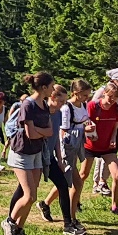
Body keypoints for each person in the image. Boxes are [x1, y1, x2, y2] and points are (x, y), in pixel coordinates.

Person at [13, 87, 81, 235]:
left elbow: (55, 137)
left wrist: (60, 158)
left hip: (48, 157)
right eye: (61, 100)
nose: (64, 104)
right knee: (23, 190)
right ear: (52, 97)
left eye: (65, 101)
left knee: (63, 185)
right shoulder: (40, 111)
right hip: (35, 155)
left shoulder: (58, 113)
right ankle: (11, 220)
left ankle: (68, 225)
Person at [1, 72, 55, 235]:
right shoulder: (27, 105)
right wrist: (41, 132)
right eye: (52, 86)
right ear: (44, 87)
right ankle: (9, 222)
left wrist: (39, 132)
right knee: (30, 196)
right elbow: (30, 134)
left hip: (36, 152)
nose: (54, 89)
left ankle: (19, 231)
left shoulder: (44, 105)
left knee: (32, 195)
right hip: (22, 153)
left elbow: (50, 131)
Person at [44, 79, 91, 225]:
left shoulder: (83, 105)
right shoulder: (66, 108)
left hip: (77, 145)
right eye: (84, 95)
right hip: (67, 148)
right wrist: (61, 156)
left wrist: (88, 128)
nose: (87, 98)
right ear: (76, 93)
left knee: (69, 182)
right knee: (71, 182)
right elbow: (63, 131)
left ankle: (48, 206)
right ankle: (70, 218)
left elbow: (84, 121)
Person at [86, 81, 118, 215]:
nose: (111, 101)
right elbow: (85, 123)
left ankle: (115, 206)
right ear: (104, 93)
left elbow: (116, 126)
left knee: (116, 175)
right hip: (91, 145)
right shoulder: (93, 106)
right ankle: (75, 202)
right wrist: (90, 134)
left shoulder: (116, 109)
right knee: (82, 175)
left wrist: (112, 138)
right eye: (110, 97)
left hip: (107, 147)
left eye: (115, 98)